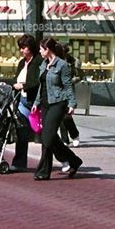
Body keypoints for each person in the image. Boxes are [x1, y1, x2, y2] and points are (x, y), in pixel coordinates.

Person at [31, 38, 83, 180]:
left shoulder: (63, 65)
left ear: (47, 50)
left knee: (47, 138)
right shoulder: (43, 64)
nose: (40, 52)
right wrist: (36, 102)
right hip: (44, 103)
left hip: (58, 103)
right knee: (49, 137)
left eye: (41, 49)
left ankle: (43, 171)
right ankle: (73, 161)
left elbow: (67, 86)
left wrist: (72, 104)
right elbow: (41, 86)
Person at [11, 34, 42, 172]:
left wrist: (23, 86)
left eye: (24, 48)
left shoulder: (38, 61)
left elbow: (37, 81)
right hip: (23, 102)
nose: (22, 51)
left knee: (46, 135)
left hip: (36, 102)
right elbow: (16, 79)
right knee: (21, 132)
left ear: (31, 47)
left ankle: (67, 159)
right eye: (20, 48)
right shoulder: (22, 63)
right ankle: (19, 163)